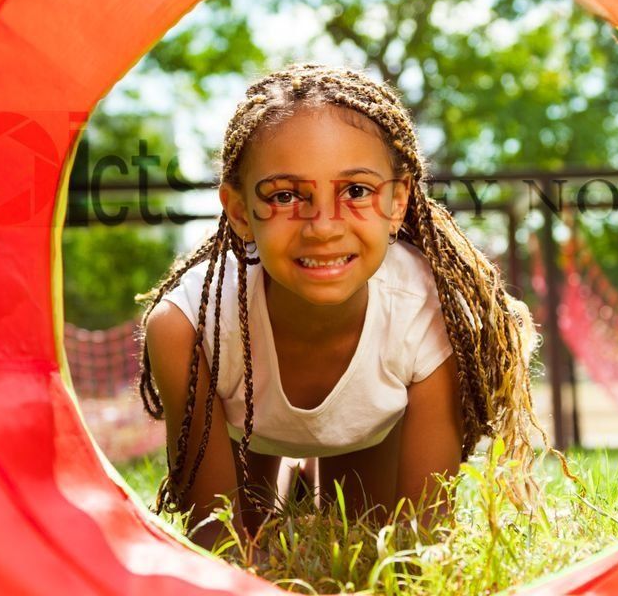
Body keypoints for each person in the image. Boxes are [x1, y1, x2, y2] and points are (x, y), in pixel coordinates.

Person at [134, 62, 552, 553]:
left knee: (367, 538)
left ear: (398, 203)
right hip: (243, 425)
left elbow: (425, 542)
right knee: (246, 540)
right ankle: (285, 479)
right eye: (286, 195)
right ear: (240, 212)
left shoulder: (430, 316)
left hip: (370, 428)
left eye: (356, 191)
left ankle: (316, 476)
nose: (323, 226)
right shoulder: (189, 326)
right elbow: (212, 541)